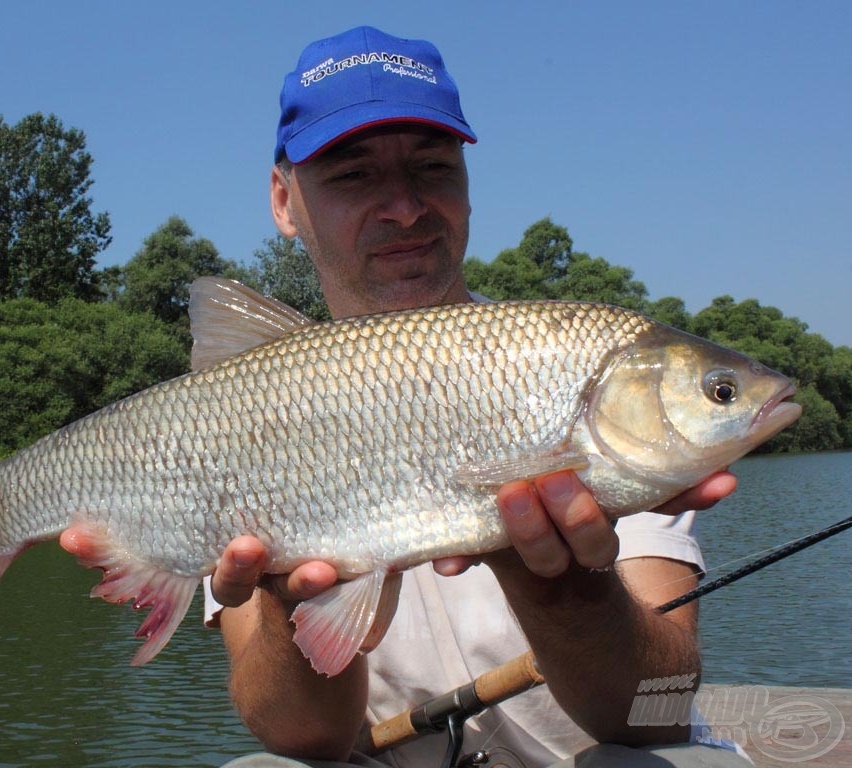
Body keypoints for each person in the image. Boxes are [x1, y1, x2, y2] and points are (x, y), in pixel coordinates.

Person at [205, 26, 749, 767]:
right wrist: (286, 600)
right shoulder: (231, 413)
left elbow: (657, 713)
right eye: (353, 175)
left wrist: (567, 591)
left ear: (466, 183)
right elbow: (300, 735)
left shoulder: (585, 374)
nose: (403, 206)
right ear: (284, 199)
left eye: (432, 167)